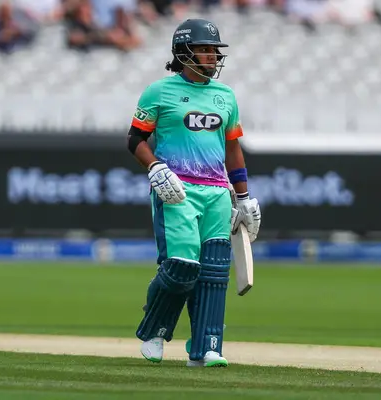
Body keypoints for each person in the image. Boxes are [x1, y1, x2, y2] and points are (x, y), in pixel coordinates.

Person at [126, 18, 261, 368]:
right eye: (205, 49)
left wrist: (244, 197)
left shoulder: (225, 96)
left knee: (215, 274)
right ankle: (155, 330)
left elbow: (233, 148)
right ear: (184, 52)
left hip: (217, 193)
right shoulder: (159, 91)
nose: (213, 56)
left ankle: (206, 349)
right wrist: (156, 168)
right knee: (182, 266)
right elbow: (135, 140)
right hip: (177, 190)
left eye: (215, 50)